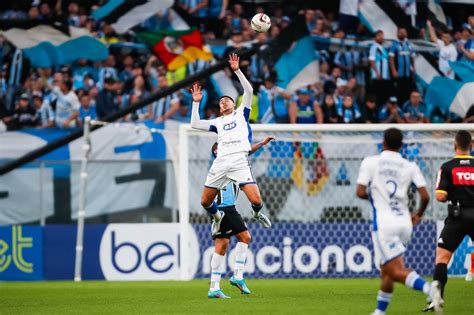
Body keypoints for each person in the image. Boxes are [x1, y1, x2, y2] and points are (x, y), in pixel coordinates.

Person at [356, 128, 443, 315]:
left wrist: (377, 198)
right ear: (401, 146)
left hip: (384, 223)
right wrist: (418, 214)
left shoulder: (371, 162)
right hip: (405, 223)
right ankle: (380, 312)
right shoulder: (409, 166)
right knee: (387, 268)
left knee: (395, 270)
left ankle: (430, 289)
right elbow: (425, 196)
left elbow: (360, 191)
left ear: (383, 143)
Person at [190, 53, 271, 236]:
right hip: (221, 162)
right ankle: (217, 218)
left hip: (239, 162)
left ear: (235, 104)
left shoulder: (242, 113)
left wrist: (237, 71)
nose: (223, 101)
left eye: (227, 100)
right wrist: (196, 103)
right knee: (205, 202)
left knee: (257, 200)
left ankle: (256, 214)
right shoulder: (217, 122)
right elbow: (194, 124)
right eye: (220, 101)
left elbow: (249, 91)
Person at [208, 135, 275, 299]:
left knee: (221, 246)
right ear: (218, 151)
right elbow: (243, 153)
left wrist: (261, 143)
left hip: (220, 210)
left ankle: (214, 288)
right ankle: (237, 276)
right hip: (226, 209)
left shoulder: (228, 163)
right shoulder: (224, 162)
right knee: (245, 237)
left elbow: (245, 152)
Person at [424, 130, 474, 311]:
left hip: (457, 217)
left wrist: (450, 194)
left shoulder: (447, 167)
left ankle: (437, 299)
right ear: (471, 145)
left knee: (442, 259)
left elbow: (439, 195)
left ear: (455, 145)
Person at [389, 27, 416, 104]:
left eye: (404, 32)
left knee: (408, 91)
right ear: (397, 34)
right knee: (398, 91)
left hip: (408, 73)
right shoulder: (394, 44)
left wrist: (413, 67)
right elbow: (391, 58)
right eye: (401, 32)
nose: (403, 34)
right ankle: (399, 106)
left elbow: (412, 56)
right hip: (399, 73)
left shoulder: (408, 44)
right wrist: (393, 70)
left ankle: (406, 107)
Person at [369, 30, 391, 106]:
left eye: (382, 35)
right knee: (378, 96)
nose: (381, 37)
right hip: (378, 76)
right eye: (379, 35)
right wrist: (376, 72)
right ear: (375, 37)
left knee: (384, 97)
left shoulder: (384, 48)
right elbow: (372, 60)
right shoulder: (374, 47)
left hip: (385, 77)